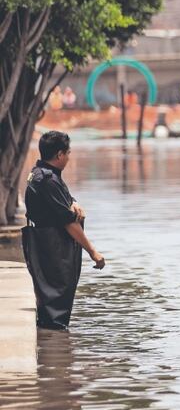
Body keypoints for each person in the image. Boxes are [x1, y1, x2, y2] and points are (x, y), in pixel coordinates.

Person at [22, 131, 106, 330]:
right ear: (59, 155)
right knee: (56, 303)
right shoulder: (49, 180)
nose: (69, 157)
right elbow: (68, 222)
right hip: (53, 248)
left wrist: (74, 202)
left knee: (51, 301)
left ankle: (53, 346)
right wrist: (93, 252)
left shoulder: (39, 173)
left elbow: (62, 201)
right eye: (68, 153)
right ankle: (54, 352)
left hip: (46, 245)